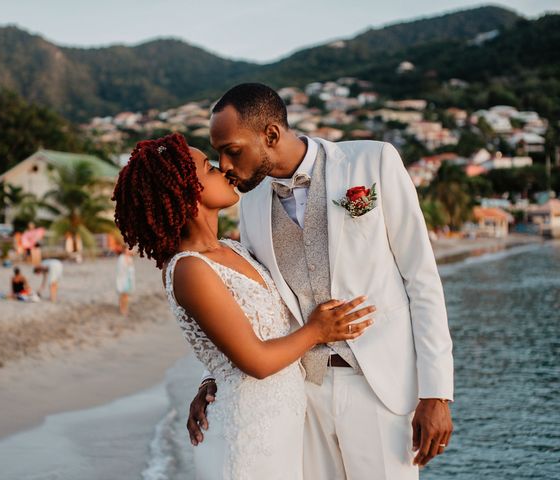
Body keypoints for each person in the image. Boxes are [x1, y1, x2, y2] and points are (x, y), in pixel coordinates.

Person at [186, 84, 454, 479]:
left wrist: (436, 393)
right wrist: (215, 377)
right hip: (303, 392)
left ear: (271, 135)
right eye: (219, 153)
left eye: (233, 150)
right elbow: (257, 305)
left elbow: (422, 278)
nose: (224, 164)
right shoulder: (252, 201)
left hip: (379, 386)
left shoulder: (373, 161)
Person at [111, 133, 375, 479]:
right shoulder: (189, 269)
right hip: (248, 431)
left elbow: (237, 337)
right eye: (208, 167)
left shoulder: (232, 249)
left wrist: (210, 377)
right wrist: (317, 330)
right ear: (187, 192)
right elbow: (256, 361)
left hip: (283, 422)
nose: (223, 170)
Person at [115, 247, 135, 315]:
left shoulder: (130, 258)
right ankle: (121, 308)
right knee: (122, 295)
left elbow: (132, 270)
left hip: (128, 279)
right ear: (125, 250)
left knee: (126, 295)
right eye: (128, 249)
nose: (129, 250)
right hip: (122, 278)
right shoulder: (121, 258)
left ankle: (125, 308)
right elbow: (120, 270)